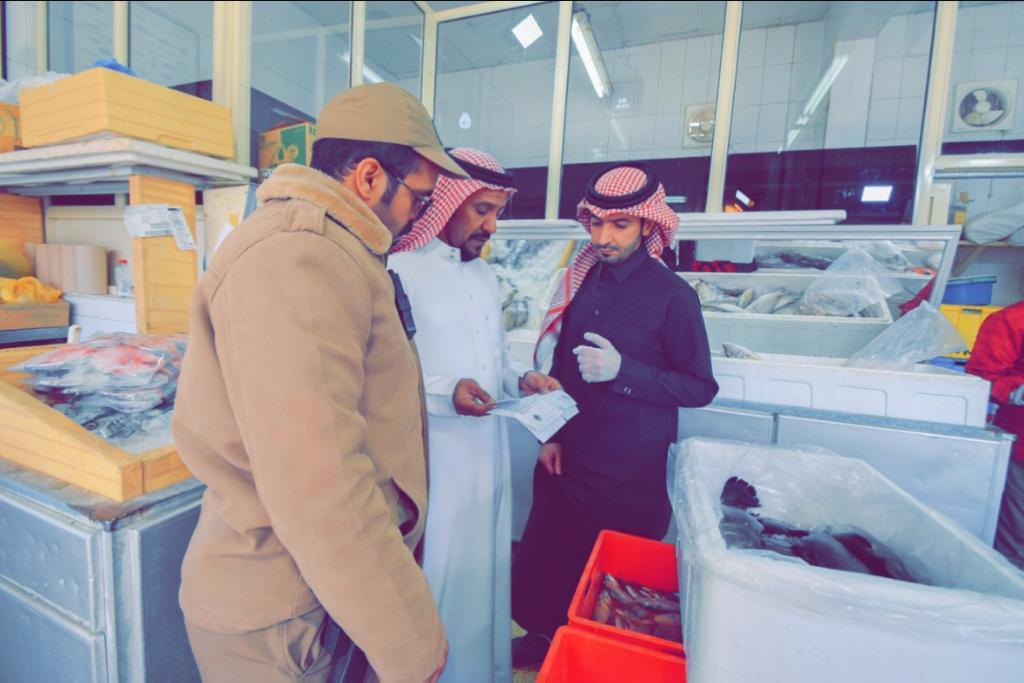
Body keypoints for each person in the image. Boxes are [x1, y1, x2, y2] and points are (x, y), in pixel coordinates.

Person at [172, 83, 469, 683]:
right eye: (418, 197)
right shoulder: (296, 257)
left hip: (319, 596)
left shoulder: (339, 251)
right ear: (369, 177)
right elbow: (320, 484)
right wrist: (409, 639)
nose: (420, 215)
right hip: (284, 619)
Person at [511, 164, 719, 666]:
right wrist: (550, 436)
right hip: (567, 458)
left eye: (620, 225)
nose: (603, 238)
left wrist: (627, 372)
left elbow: (699, 387)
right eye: (597, 223)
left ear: (647, 224)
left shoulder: (674, 297)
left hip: (627, 473)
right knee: (549, 559)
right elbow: (560, 365)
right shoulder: (582, 279)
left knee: (612, 585)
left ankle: (596, 662)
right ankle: (545, 641)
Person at [388, 147, 561, 682]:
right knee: (442, 573)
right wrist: (448, 392)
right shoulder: (399, 270)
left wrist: (521, 378)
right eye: (482, 210)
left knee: (486, 571)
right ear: (446, 202)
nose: (491, 226)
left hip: (488, 452)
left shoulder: (484, 275)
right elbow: (388, 374)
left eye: (497, 213)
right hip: (438, 455)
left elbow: (497, 356)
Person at [966, 299, 1024, 570]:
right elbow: (982, 379)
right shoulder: (1011, 321)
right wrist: (1017, 390)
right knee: (1018, 543)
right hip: (1021, 450)